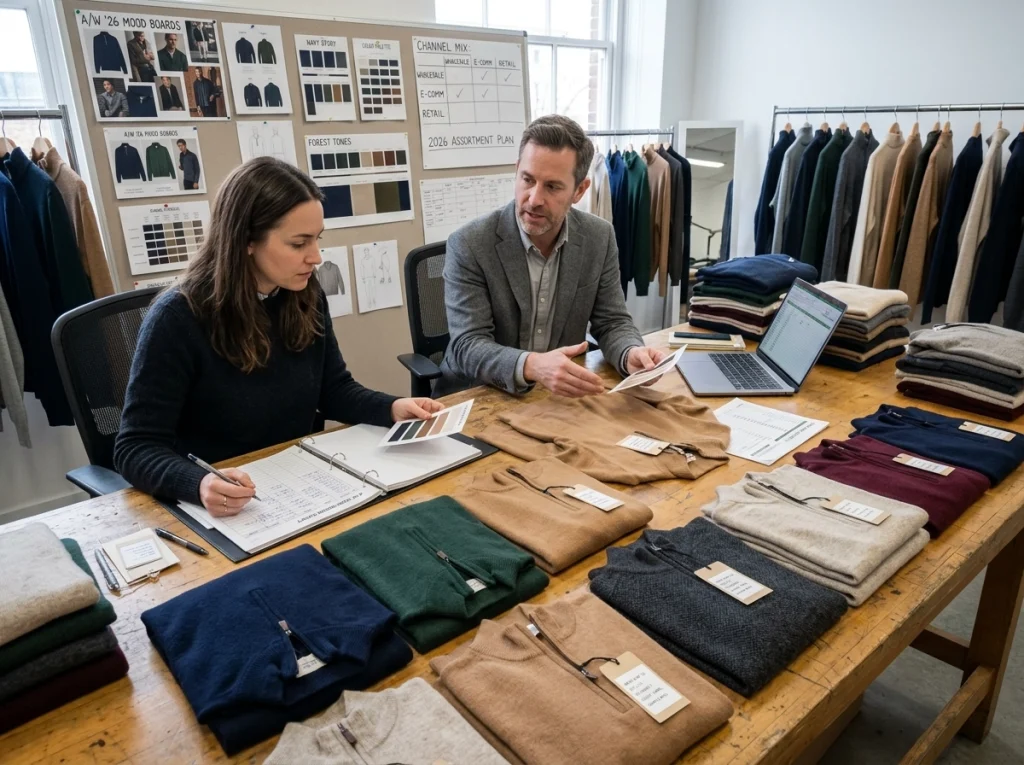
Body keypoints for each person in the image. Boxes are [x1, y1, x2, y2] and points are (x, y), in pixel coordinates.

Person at [114, 157, 442, 516]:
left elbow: (332, 390)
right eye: (298, 244)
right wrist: (198, 482)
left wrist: (391, 408)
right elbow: (136, 447)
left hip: (300, 481)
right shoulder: (177, 318)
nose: (315, 257)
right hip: (223, 502)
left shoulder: (304, 293)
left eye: (317, 240)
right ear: (247, 240)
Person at [440, 114, 664, 398]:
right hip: (479, 394)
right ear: (517, 170)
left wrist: (629, 352)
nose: (534, 199)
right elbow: (467, 346)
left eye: (552, 186)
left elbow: (612, 322)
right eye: (527, 179)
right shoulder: (469, 244)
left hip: (555, 396)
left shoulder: (599, 238)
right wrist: (533, 365)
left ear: (579, 191)